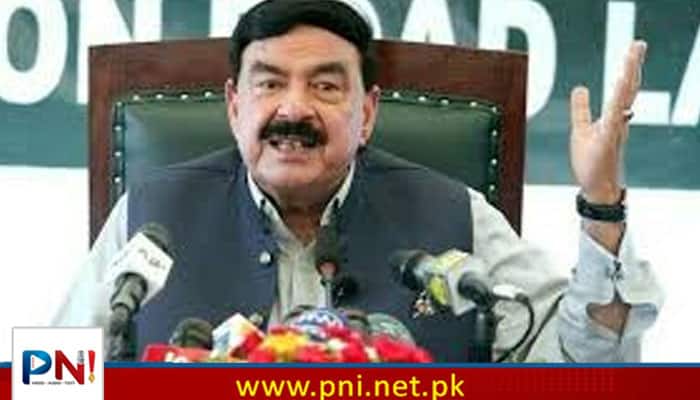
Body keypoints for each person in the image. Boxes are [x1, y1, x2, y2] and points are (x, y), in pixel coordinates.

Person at [53, 0, 662, 362]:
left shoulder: (455, 217)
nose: (294, 108)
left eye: (325, 86)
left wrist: (601, 205)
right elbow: (48, 378)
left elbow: (584, 366)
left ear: (366, 113)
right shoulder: (152, 218)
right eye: (270, 83)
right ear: (235, 107)